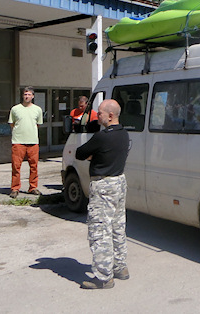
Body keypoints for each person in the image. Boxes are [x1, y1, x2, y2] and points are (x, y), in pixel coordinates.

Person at [76, 99, 130, 290]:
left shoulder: (103, 137)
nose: (96, 115)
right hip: (119, 182)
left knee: (100, 230)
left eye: (99, 113)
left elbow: (80, 152)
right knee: (117, 226)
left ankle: (103, 276)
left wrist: (95, 155)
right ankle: (120, 267)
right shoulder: (124, 134)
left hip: (103, 185)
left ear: (110, 115)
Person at [8, 86, 43, 198]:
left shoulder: (37, 109)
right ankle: (15, 188)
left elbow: (38, 124)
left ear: (33, 96)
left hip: (33, 142)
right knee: (16, 166)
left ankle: (33, 187)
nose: (27, 96)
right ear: (22, 96)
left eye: (29, 94)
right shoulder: (15, 109)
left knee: (34, 166)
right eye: (25, 94)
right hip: (18, 142)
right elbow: (12, 124)